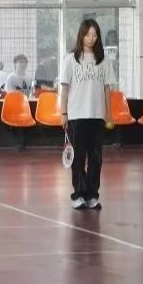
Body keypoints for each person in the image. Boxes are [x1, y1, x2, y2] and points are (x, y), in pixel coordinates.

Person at [59, 19, 114, 210]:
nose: (91, 38)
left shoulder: (103, 60)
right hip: (76, 115)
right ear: (81, 35)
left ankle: (92, 195)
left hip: (97, 116)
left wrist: (109, 113)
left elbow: (107, 89)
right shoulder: (70, 59)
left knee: (96, 158)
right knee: (78, 158)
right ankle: (78, 195)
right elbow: (64, 89)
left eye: (95, 35)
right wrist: (64, 113)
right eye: (88, 34)